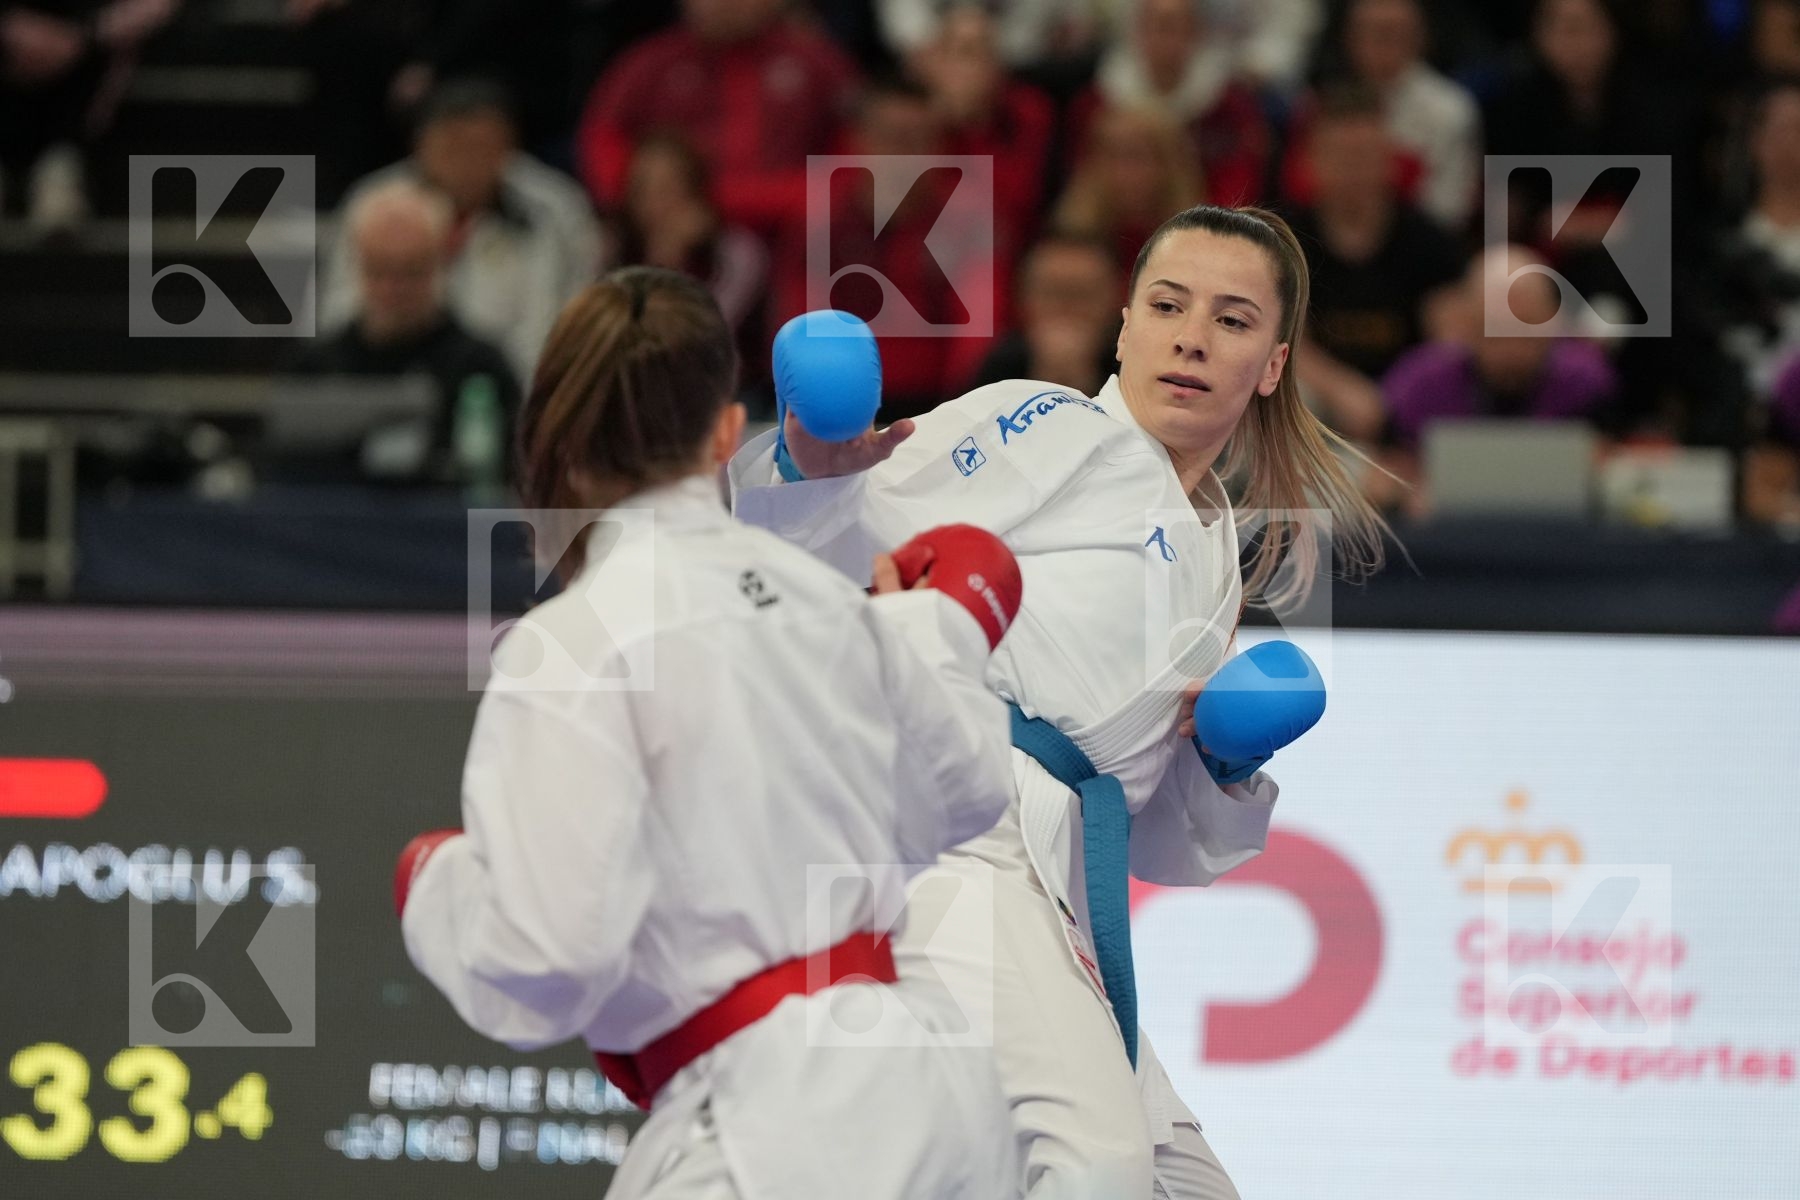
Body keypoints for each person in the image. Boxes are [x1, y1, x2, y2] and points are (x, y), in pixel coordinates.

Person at [730, 205, 1387, 1199]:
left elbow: (1158, 843)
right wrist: (810, 469)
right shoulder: (1051, 423)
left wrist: (1220, 766)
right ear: (1123, 327)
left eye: (1233, 320)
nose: (1193, 337)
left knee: (1183, 1190)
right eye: (1168, 305)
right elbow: (830, 550)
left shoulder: (1214, 551)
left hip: (1058, 888)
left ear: (1273, 364)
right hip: (952, 830)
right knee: (1091, 1167)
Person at [395, 267, 1024, 1198]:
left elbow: (550, 959)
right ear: (728, 432)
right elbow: (971, 790)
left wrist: (437, 891)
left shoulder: (574, 640)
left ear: (556, 449)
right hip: (936, 1095)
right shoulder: (826, 594)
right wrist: (939, 629)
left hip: (769, 1131)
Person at [321, 79, 603, 388]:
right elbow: (338, 313)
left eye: (482, 147)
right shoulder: (375, 203)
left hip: (522, 391)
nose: (467, 163)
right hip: (394, 387)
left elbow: (572, 322)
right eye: (453, 147)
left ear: (508, 146)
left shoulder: (557, 212)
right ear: (421, 145)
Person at [283, 179, 520, 484]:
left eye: (411, 271)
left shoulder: (482, 371)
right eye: (379, 270)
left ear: (442, 263)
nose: (393, 289)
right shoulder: (313, 370)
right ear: (357, 264)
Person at [574, 0, 859, 234]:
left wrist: (810, 201)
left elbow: (856, 150)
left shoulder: (817, 63)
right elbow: (602, 138)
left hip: (797, 233)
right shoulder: (649, 64)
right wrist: (638, 202)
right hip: (679, 232)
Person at [1287, 85, 1466, 443]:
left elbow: (1450, 343)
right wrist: (1343, 390)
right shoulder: (1286, 240)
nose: (1353, 171)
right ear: (1314, 162)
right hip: (1321, 411)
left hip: (1408, 407)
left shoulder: (1428, 242)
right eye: (1341, 156)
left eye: (1365, 155)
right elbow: (1283, 342)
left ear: (1389, 162)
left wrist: (1395, 400)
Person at [1381, 244, 1619, 450]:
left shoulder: (1587, 384)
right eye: (1495, 335)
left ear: (1553, 323)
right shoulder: (1420, 385)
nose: (1511, 352)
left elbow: (1613, 453)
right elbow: (1391, 460)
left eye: (1526, 334)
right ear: (1467, 327)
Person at [969, 231, 1123, 398]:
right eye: (1051, 293)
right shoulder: (999, 366)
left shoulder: (1131, 366)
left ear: (1114, 300)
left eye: (1081, 294)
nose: (1066, 309)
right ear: (1022, 298)